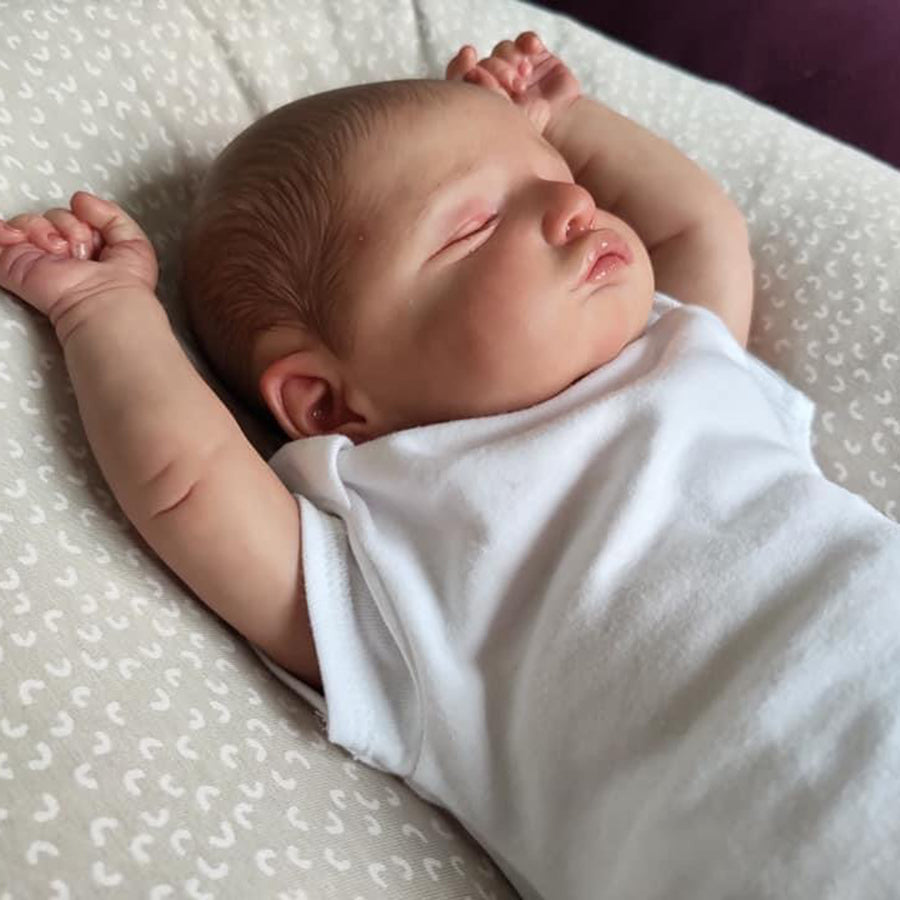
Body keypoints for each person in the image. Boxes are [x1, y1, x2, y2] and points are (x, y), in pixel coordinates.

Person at [2, 30, 899, 900]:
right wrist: (103, 312)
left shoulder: (678, 353)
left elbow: (699, 224)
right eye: (475, 226)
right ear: (327, 403)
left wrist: (561, 121)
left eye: (561, 178)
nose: (573, 203)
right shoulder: (395, 548)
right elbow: (190, 482)